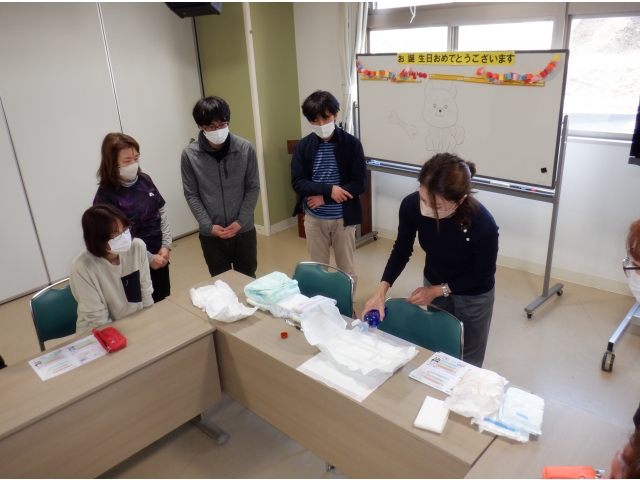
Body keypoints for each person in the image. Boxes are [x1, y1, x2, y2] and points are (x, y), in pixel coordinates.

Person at [362, 153, 499, 367]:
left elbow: (482, 275)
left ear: (460, 200)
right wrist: (380, 293)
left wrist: (437, 290)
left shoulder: (483, 225)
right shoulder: (411, 205)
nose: (426, 208)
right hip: (435, 279)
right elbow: (401, 250)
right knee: (441, 348)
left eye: (437, 205)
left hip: (474, 294)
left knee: (468, 359)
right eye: (424, 199)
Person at [291, 90, 367, 293]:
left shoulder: (352, 144)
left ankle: (347, 305)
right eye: (315, 120)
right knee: (317, 270)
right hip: (314, 218)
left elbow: (359, 184)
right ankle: (321, 305)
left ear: (335, 115)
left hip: (343, 219)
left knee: (346, 270)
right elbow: (298, 182)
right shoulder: (303, 146)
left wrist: (326, 198)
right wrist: (328, 189)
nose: (321, 124)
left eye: (325, 118)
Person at [181, 96, 260, 278]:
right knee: (220, 282)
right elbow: (191, 194)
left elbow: (253, 187)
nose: (218, 130)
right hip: (211, 234)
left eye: (223, 124)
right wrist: (209, 226)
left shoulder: (245, 149)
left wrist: (240, 222)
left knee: (248, 278)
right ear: (201, 127)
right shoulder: (190, 155)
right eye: (211, 127)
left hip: (243, 229)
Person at [94, 133, 171, 302]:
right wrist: (148, 258)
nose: (134, 164)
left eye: (136, 158)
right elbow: (113, 238)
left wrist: (166, 246)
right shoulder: (105, 195)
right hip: (131, 262)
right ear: (112, 163)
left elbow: (162, 212)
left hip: (159, 254)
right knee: (141, 305)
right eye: (127, 161)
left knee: (163, 301)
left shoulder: (145, 180)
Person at [69, 205, 153, 334]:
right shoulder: (81, 267)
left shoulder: (137, 247)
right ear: (98, 238)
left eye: (124, 228)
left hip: (135, 322)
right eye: (115, 233)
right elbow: (98, 319)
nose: (124, 236)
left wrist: (150, 322)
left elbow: (146, 293)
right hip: (99, 331)